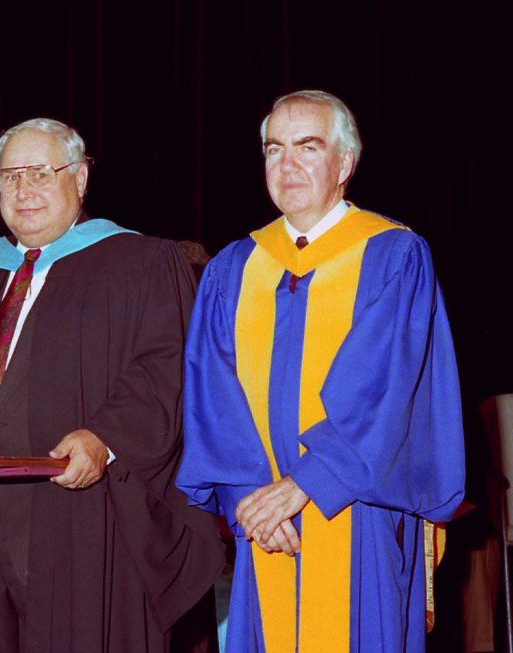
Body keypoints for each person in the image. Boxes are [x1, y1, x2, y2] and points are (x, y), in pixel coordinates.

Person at [0, 118, 223, 652]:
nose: (25, 190)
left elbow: (164, 369)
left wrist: (104, 437)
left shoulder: (141, 265)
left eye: (41, 173)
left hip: (79, 515)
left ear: (81, 179)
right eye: (11, 175)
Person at [176, 90, 465, 652]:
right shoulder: (234, 268)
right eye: (274, 148)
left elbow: (384, 391)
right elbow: (211, 394)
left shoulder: (392, 256)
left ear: (344, 163)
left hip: (355, 512)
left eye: (308, 146)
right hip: (266, 523)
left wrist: (304, 485)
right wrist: (249, 499)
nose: (287, 164)